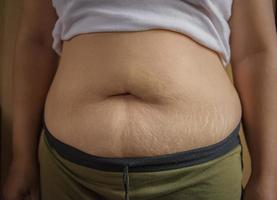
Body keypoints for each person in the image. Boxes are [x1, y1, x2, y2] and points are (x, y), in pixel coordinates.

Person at [2, 0, 277, 200]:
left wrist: (266, 177)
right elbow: (36, 41)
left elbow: (256, 51)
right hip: (72, 176)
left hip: (197, 176)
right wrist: (22, 160)